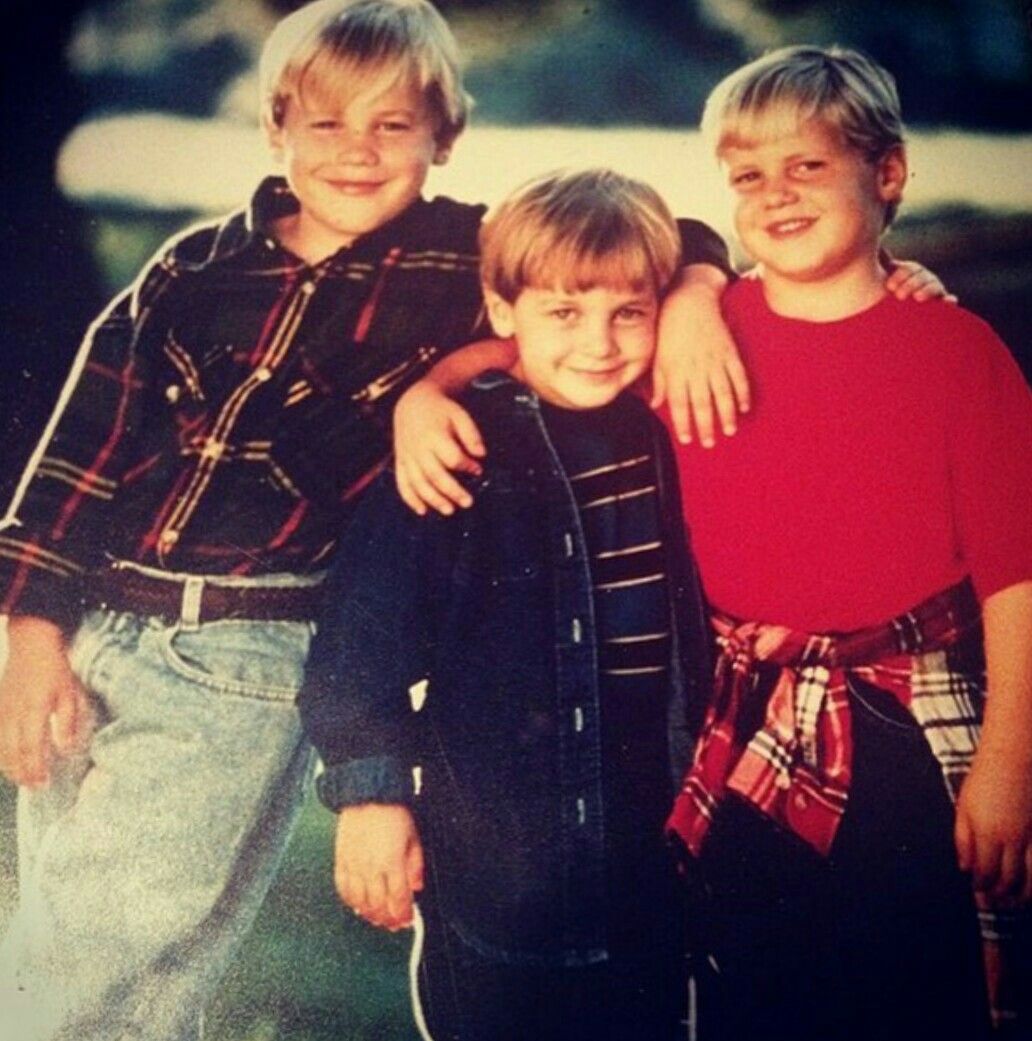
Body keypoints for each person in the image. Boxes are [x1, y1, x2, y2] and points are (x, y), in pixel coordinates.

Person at [0, 3, 735, 1037]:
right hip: (95, 626)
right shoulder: (196, 268)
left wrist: (696, 286)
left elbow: (613, 245)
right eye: (327, 124)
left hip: (244, 646)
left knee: (91, 965)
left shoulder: (456, 260)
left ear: (446, 135)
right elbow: (85, 445)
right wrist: (32, 633)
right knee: (108, 966)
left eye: (393, 126)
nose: (358, 153)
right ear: (275, 131)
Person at [659, 45, 1032, 1041]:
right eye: (748, 177)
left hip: (909, 732)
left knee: (916, 991)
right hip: (741, 725)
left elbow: (1017, 572)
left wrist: (1010, 761)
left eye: (808, 166)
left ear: (889, 175)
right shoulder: (697, 334)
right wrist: (429, 397)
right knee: (758, 994)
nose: (775, 195)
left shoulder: (953, 350)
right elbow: (547, 314)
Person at [298, 168, 712, 1041]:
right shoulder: (458, 443)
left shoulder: (671, 421)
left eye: (627, 313)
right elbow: (357, 645)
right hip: (501, 833)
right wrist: (370, 798)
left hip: (656, 814)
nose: (598, 341)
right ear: (502, 310)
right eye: (564, 312)